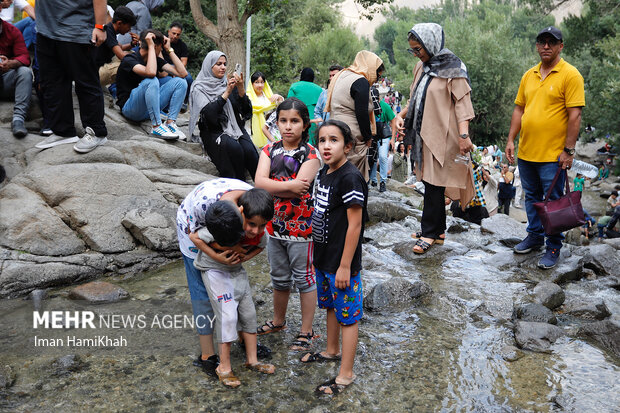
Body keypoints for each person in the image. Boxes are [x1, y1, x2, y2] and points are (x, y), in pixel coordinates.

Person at [505, 26, 585, 269]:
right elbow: (519, 109)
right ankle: (534, 236)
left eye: (552, 42)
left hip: (553, 155)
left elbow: (575, 116)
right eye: (542, 41)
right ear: (537, 46)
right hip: (527, 151)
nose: (546, 46)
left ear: (561, 46)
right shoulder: (529, 75)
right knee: (531, 196)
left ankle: (553, 246)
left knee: (554, 201)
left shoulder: (571, 75)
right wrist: (510, 139)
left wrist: (568, 151)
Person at [395, 23, 475, 254]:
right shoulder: (422, 67)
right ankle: (437, 231)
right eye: (412, 50)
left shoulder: (454, 68)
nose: (416, 54)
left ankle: (429, 233)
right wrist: (400, 116)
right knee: (432, 183)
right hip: (423, 135)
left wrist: (463, 135)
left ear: (431, 44)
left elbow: (463, 105)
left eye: (418, 49)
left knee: (434, 183)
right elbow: (414, 99)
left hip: (446, 135)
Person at [301, 119, 367, 396]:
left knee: (348, 316)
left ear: (348, 146)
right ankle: (331, 350)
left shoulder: (350, 177)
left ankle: (346, 374)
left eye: (334, 140)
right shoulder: (324, 172)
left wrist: (344, 266)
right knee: (329, 306)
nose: (326, 146)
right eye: (322, 140)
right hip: (323, 258)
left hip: (342, 264)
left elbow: (355, 225)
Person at [254, 97, 321, 350]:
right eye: (283, 121)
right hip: (274, 227)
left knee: (305, 278)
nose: (288, 126)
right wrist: (288, 185)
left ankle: (307, 330)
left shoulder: (311, 154)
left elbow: (300, 189)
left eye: (294, 121)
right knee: (279, 277)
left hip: (303, 229)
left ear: (305, 125)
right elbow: (259, 183)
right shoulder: (268, 150)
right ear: (277, 123)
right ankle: (278, 320)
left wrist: (279, 186)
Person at [191, 194, 276, 388]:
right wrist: (219, 256)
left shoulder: (260, 233)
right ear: (241, 215)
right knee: (227, 316)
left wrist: (244, 257)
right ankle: (224, 366)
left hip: (237, 272)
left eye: (262, 226)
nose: (256, 231)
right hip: (214, 271)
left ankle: (252, 359)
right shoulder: (226, 225)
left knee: (249, 313)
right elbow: (195, 236)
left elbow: (262, 245)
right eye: (252, 225)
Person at [34, 0, 109, 154]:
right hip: (46, 29)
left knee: (86, 82)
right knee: (52, 83)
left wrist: (100, 26)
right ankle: (63, 131)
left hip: (76, 29)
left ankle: (97, 131)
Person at [189, 50, 259, 180]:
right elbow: (209, 115)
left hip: (236, 127)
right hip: (213, 130)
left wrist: (241, 89)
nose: (223, 67)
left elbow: (246, 113)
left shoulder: (227, 83)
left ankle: (262, 186)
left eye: (224, 64)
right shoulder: (199, 87)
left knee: (250, 151)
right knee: (235, 148)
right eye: (218, 64)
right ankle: (238, 185)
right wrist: (226, 93)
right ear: (209, 66)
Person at [116, 29, 188, 140]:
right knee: (152, 80)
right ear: (156, 47)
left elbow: (182, 73)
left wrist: (169, 49)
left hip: (148, 110)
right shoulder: (129, 59)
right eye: (161, 47)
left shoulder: (156, 60)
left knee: (180, 82)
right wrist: (151, 46)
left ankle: (170, 123)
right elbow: (150, 73)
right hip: (130, 109)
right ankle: (156, 126)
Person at [326, 51, 384, 181]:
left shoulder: (343, 75)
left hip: (334, 128)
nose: (375, 80)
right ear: (370, 68)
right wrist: (368, 137)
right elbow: (362, 113)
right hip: (352, 134)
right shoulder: (360, 81)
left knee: (337, 172)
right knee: (352, 177)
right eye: (377, 76)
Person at [0, 6, 31, 138]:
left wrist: (11, 63)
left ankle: (18, 120)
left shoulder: (11, 30)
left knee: (25, 72)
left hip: (5, 80)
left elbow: (24, 57)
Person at [95, 6, 136, 89]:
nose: (129, 30)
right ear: (119, 23)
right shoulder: (108, 31)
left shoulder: (111, 30)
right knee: (130, 64)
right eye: (128, 26)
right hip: (95, 71)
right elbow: (121, 55)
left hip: (100, 65)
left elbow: (120, 47)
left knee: (132, 54)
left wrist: (132, 44)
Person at [246, 71, 283, 147]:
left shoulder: (269, 97)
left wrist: (279, 98)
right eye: (256, 82)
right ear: (252, 84)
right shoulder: (247, 99)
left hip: (270, 135)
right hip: (252, 134)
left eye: (262, 82)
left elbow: (281, 109)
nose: (260, 85)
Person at [161, 21, 193, 107]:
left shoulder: (182, 45)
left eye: (178, 34)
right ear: (169, 32)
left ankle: (185, 101)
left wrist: (178, 72)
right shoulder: (161, 42)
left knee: (189, 79)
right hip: (164, 67)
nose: (175, 36)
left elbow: (184, 62)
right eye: (173, 33)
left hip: (177, 67)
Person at [287, 67, 323, 143]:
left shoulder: (294, 86)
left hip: (298, 120)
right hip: (314, 122)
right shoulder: (319, 89)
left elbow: (288, 104)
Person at [369, 94, 396, 192]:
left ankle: (383, 181)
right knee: (372, 157)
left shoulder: (384, 106)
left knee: (383, 156)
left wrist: (393, 139)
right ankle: (373, 179)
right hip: (372, 134)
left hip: (384, 134)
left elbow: (393, 120)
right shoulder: (368, 105)